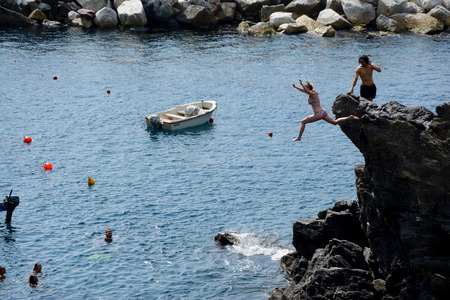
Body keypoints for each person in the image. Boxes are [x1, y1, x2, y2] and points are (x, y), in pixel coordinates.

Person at [292, 79, 359, 142]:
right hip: (322, 111)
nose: (304, 90)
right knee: (335, 122)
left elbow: (306, 91)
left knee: (303, 122)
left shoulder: (313, 94)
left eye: (305, 88)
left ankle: (299, 137)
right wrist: (296, 87)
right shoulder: (314, 91)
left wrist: (301, 84)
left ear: (308, 89)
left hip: (319, 114)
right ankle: (349, 117)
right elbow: (304, 91)